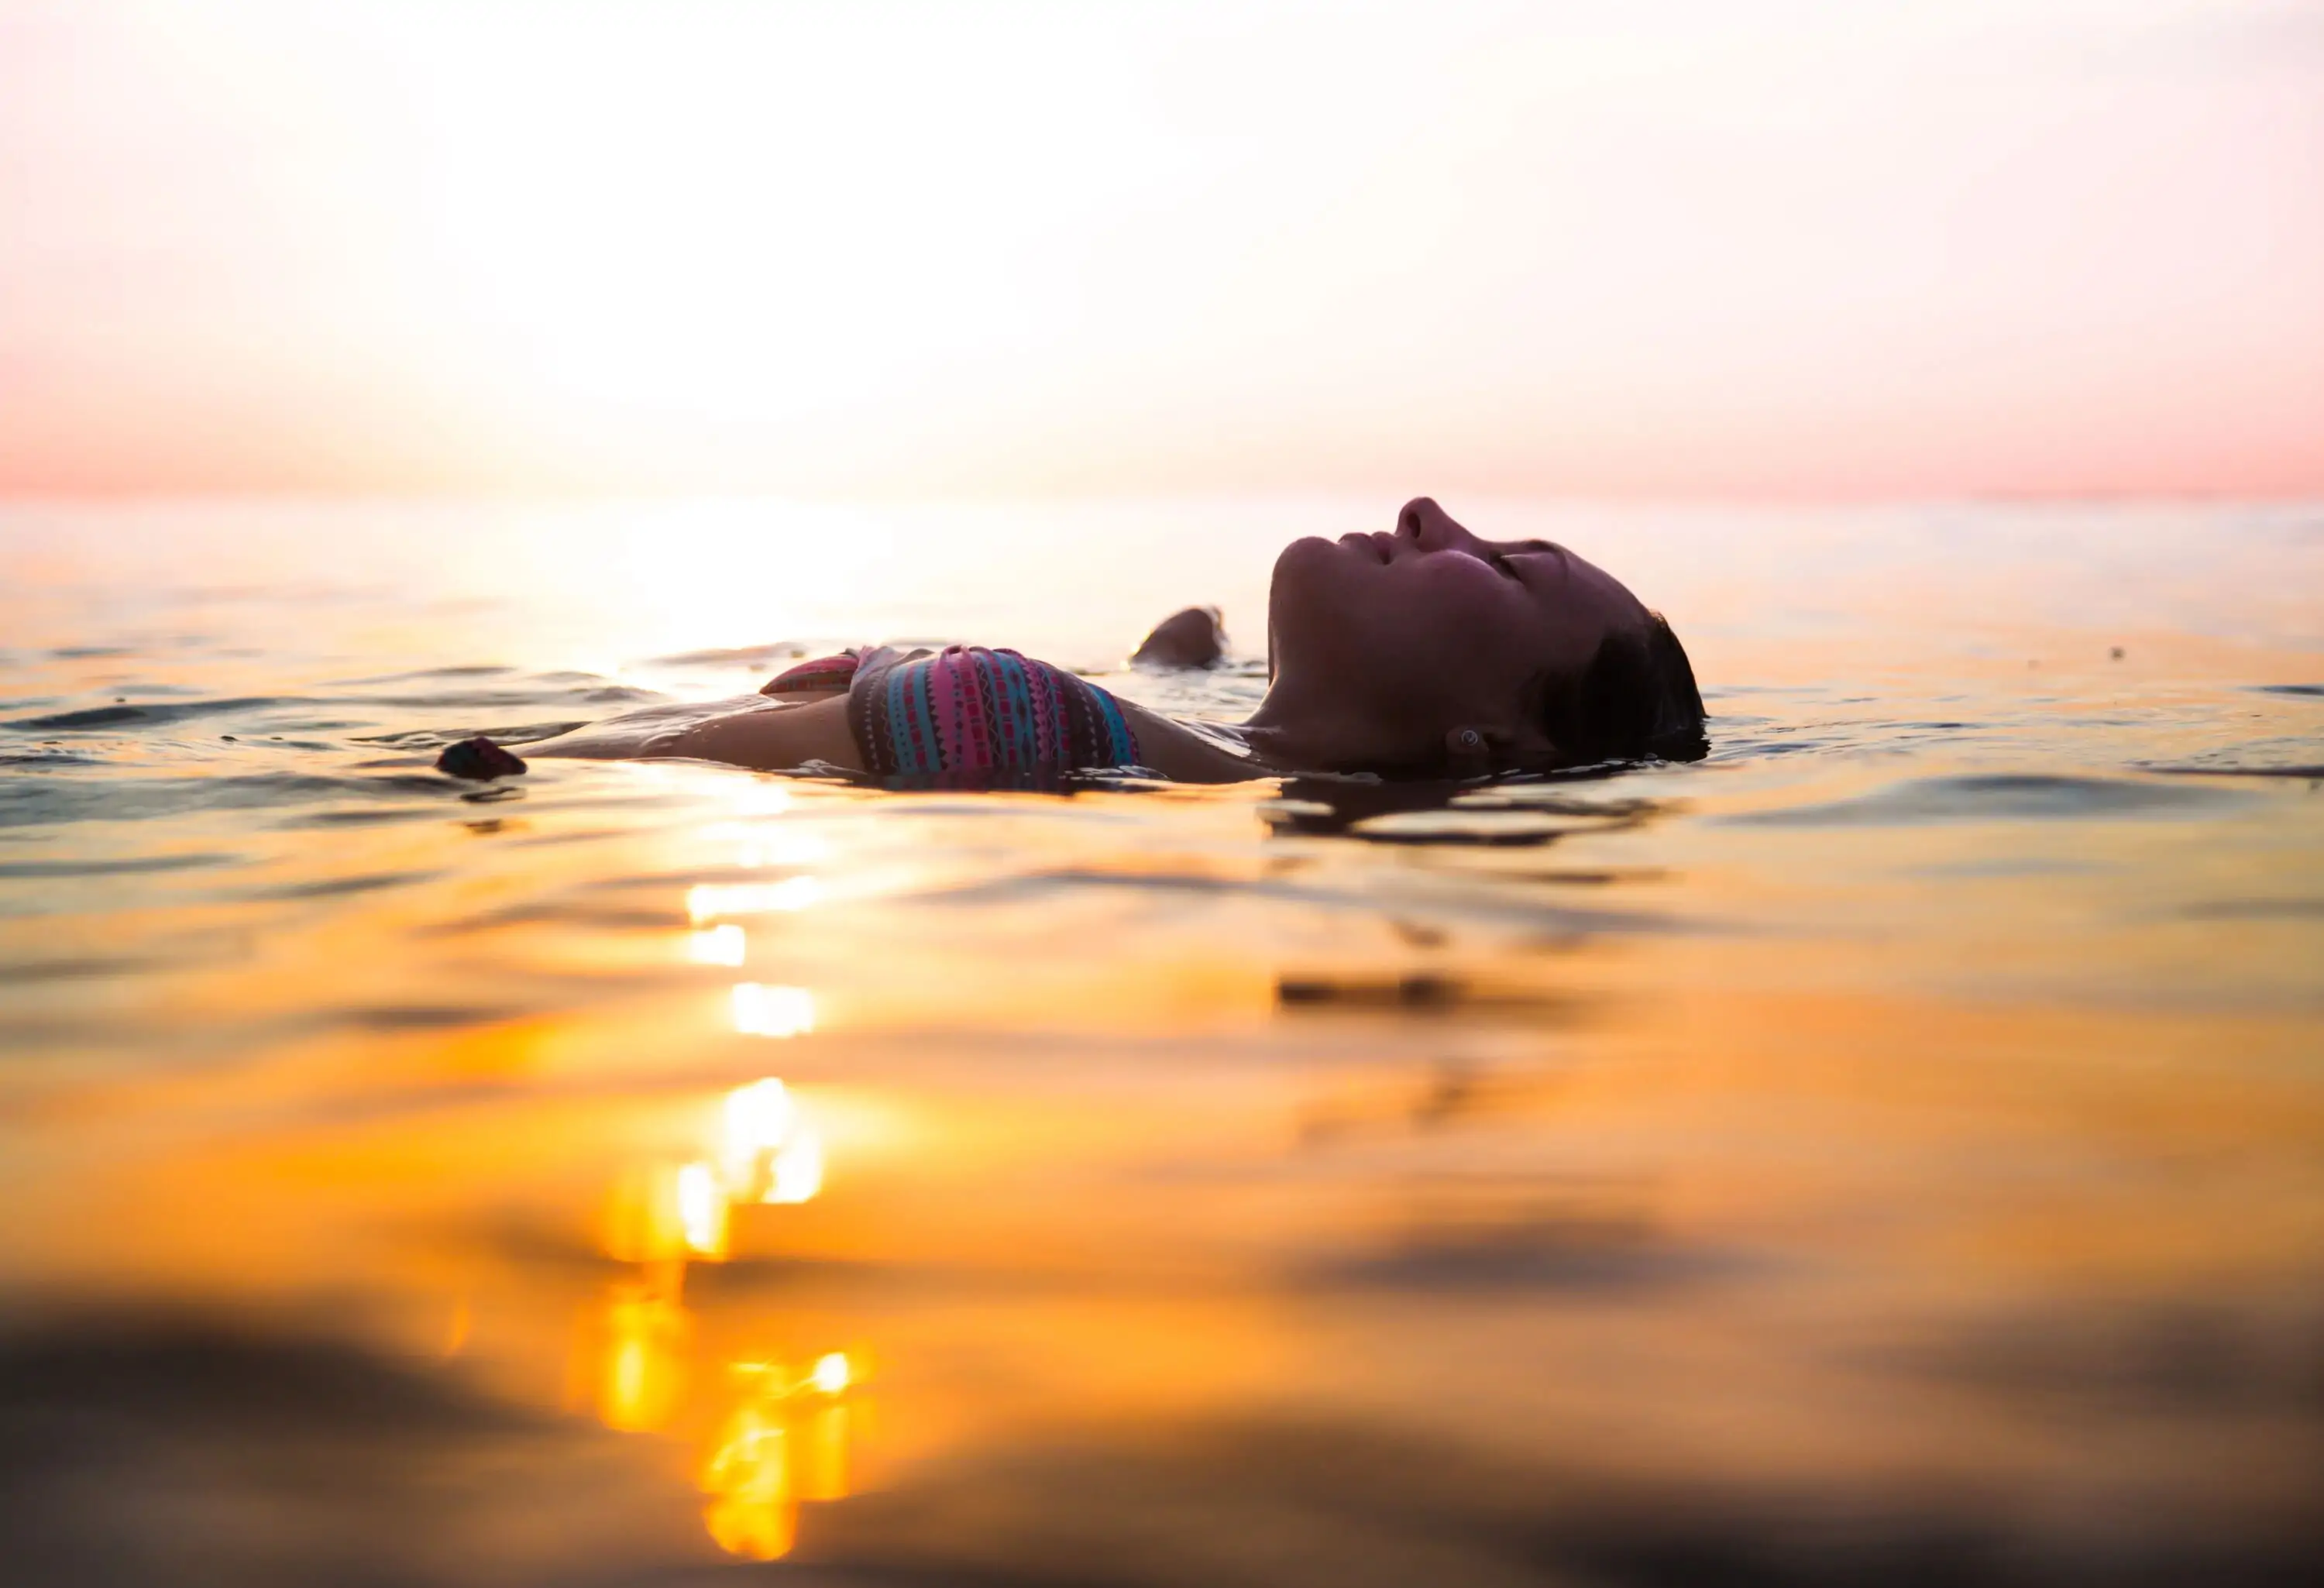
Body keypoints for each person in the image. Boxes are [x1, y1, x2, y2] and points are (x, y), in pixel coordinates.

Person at [438, 498, 1705, 786]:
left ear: (1496, 738)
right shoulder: (1143, 738)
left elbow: (560, 775)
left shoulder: (1052, 727)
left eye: (1499, 567)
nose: (1435, 514)